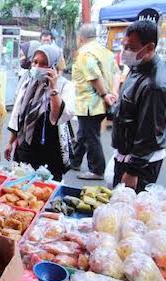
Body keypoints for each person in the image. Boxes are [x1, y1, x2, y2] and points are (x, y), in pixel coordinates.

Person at [111, 20, 166, 192]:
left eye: (130, 47)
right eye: (124, 46)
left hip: (141, 163)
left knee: (127, 209)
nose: (125, 52)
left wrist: (133, 171)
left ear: (149, 47)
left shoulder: (156, 85)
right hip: (127, 153)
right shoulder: (138, 66)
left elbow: (149, 133)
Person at [5, 44, 75, 181]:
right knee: (22, 185)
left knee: (47, 189)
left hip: (49, 148)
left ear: (53, 66)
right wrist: (11, 141)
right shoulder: (28, 82)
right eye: (35, 62)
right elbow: (17, 113)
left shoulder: (65, 86)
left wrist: (53, 89)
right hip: (25, 145)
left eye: (44, 64)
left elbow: (60, 116)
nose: (37, 67)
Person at [71, 24, 120, 180]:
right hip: (99, 102)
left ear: (80, 38)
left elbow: (93, 76)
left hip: (90, 103)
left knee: (91, 135)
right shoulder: (105, 51)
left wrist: (105, 94)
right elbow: (117, 72)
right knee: (84, 133)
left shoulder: (85, 53)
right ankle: (75, 160)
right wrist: (114, 92)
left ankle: (97, 170)